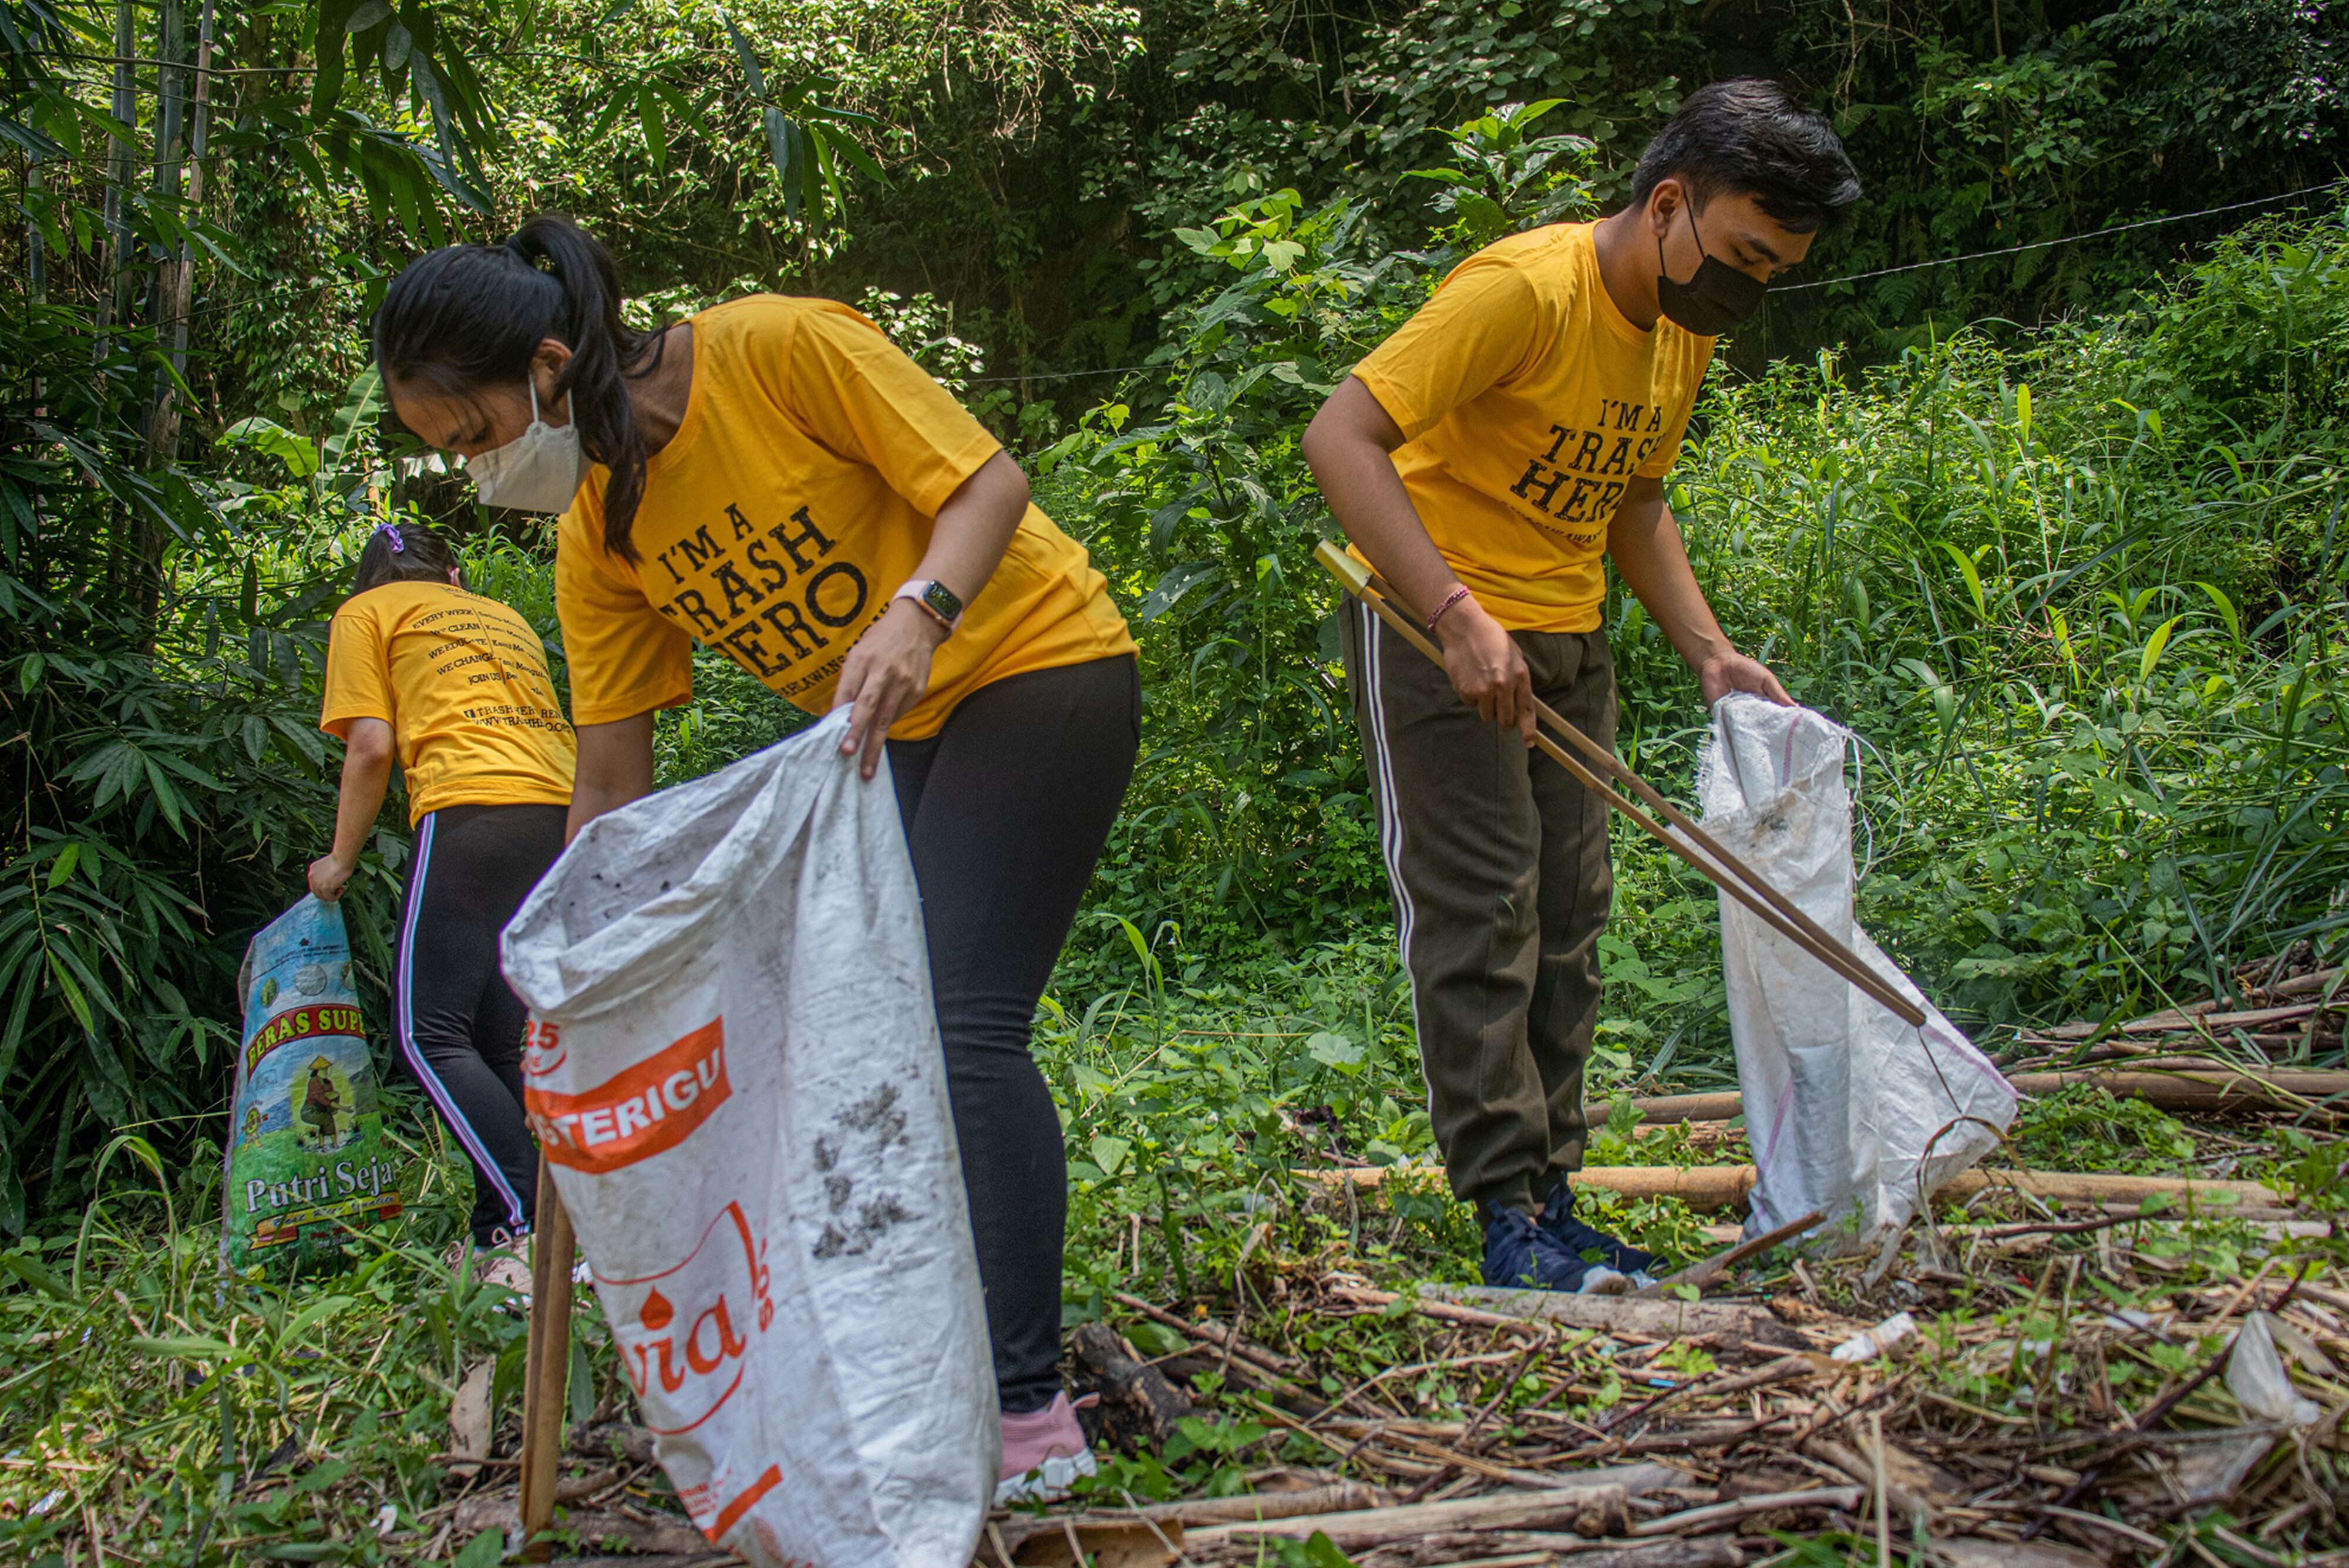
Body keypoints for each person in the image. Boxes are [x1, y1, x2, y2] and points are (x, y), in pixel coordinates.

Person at [370, 214, 1140, 1503]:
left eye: (475, 435)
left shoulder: (775, 348)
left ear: (549, 367)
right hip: (887, 735)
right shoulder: (597, 537)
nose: (477, 470)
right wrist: (571, 959)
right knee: (848, 1034)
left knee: (956, 1027)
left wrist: (918, 611)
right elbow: (610, 781)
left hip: (1033, 667)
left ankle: (1024, 1419)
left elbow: (987, 486)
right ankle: (914, 1350)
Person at [1302, 80, 1861, 1293]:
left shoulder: (1681, 320)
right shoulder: (1522, 293)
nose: (1748, 288)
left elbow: (1636, 499)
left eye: (1775, 269)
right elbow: (1337, 437)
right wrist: (1452, 614)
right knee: (1483, 916)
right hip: (1434, 629)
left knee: (1568, 920)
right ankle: (1505, 1217)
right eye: (1743, 255)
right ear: (1669, 204)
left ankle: (1553, 1197)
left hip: (1566, 636)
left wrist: (1707, 651)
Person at [311, 520, 578, 1294]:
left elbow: (370, 744)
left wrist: (340, 860)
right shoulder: (501, 615)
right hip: (558, 815)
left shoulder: (367, 613)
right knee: (500, 1039)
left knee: (424, 1036)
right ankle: (504, 1232)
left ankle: (534, 1226)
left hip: (469, 808)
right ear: (454, 574)